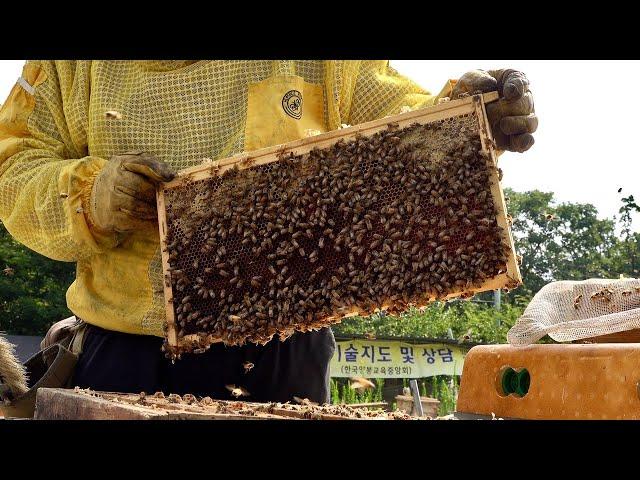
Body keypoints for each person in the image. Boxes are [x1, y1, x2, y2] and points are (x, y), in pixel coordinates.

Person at [0, 61, 537, 405]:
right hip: (125, 352)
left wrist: (465, 115)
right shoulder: (67, 67)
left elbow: (398, 116)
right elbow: (12, 168)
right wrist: (90, 194)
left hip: (284, 349)